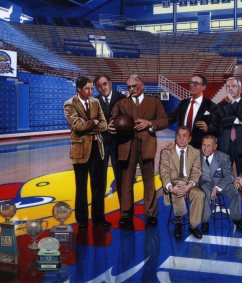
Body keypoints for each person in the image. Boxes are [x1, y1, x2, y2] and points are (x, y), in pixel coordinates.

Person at [109, 74, 168, 227]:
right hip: (126, 145)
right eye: (129, 87)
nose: (131, 89)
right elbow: (112, 118)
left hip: (147, 144)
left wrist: (149, 123)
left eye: (134, 86)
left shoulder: (154, 102)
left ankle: (151, 213)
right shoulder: (121, 103)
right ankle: (126, 214)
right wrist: (111, 124)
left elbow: (164, 121)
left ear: (142, 85)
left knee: (149, 181)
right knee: (126, 181)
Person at [63, 76, 109, 230]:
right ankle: (82, 221)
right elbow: (77, 127)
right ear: (79, 89)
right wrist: (94, 122)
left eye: (91, 88)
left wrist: (92, 125)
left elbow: (104, 125)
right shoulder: (69, 104)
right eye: (87, 89)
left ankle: (98, 218)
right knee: (81, 188)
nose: (91, 91)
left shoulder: (96, 102)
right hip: (80, 151)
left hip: (97, 149)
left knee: (98, 187)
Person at [159, 127, 204, 239]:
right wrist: (170, 187)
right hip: (173, 184)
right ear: (175, 137)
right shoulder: (166, 152)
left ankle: (193, 226)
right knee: (177, 189)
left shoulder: (195, 152)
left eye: (184, 136)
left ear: (189, 139)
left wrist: (188, 186)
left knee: (199, 194)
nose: (181, 138)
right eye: (179, 135)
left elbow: (196, 172)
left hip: (189, 184)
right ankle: (178, 221)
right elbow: (164, 172)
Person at [199, 135, 242, 232]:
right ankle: (205, 221)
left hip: (221, 184)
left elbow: (229, 176)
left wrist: (217, 188)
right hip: (205, 183)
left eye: (209, 146)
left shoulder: (223, 157)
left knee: (235, 193)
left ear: (215, 147)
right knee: (205, 194)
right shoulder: (196, 156)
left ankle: (237, 218)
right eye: (204, 145)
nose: (205, 148)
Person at [94, 75, 126, 205]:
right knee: (100, 179)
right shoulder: (94, 102)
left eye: (105, 84)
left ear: (110, 83)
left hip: (119, 144)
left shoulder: (122, 98)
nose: (103, 87)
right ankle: (99, 214)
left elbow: (128, 119)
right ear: (97, 88)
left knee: (121, 178)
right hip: (101, 144)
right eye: (100, 86)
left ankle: (124, 212)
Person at [169, 75, 220, 149]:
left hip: (200, 148)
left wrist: (208, 128)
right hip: (181, 146)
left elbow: (218, 129)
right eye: (191, 83)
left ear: (204, 87)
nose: (192, 85)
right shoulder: (182, 103)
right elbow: (171, 118)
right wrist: (153, 123)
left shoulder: (212, 106)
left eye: (196, 83)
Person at [218, 77, 242, 176]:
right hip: (225, 145)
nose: (230, 88)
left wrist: (233, 102)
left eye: (233, 86)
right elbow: (219, 122)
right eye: (228, 86)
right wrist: (237, 120)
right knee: (223, 178)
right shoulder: (221, 105)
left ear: (240, 89)